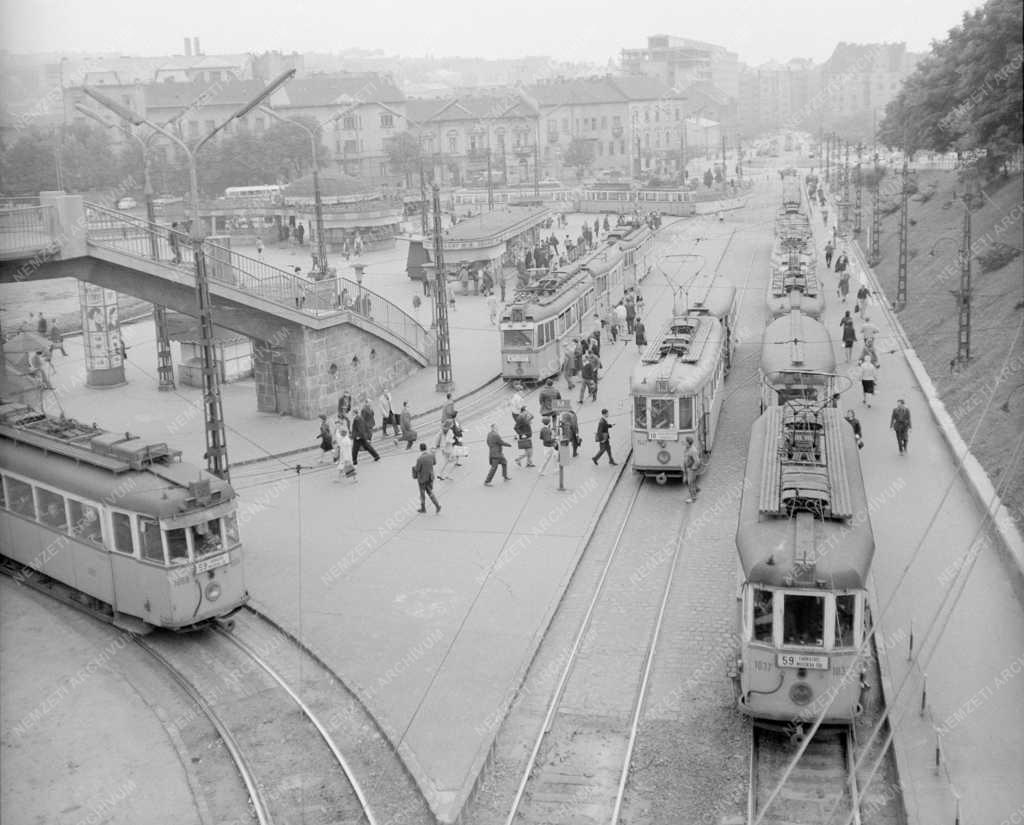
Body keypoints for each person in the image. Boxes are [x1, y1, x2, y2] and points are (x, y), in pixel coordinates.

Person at [413, 443, 442, 513]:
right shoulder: (431, 455)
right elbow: (434, 463)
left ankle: (423, 508)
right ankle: (437, 505)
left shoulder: (420, 459)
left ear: (420, 449)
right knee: (430, 492)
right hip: (430, 477)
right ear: (426, 447)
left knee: (422, 494)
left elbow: (417, 469)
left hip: (422, 479)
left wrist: (414, 468)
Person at [682, 436, 701, 503]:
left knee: (690, 483)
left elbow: (697, 461)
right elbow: (685, 458)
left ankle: (693, 498)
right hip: (687, 468)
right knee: (691, 481)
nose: (684, 442)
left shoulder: (693, 450)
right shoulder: (687, 448)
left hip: (691, 469)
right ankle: (696, 489)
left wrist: (692, 469)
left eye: (685, 441)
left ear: (688, 442)